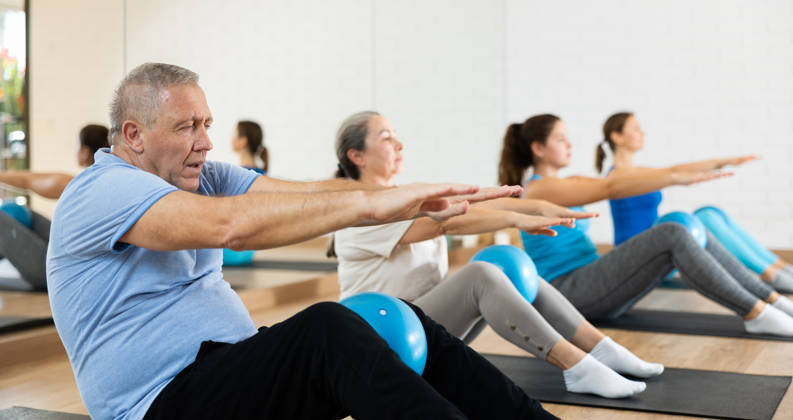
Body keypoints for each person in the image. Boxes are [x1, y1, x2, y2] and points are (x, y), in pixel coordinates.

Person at [46, 63, 558, 420]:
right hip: (159, 403)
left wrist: (399, 195)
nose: (205, 141)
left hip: (232, 376)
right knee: (326, 329)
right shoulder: (102, 189)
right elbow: (232, 226)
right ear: (133, 135)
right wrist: (370, 204)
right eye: (187, 127)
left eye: (207, 124)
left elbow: (303, 195)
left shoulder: (200, 173)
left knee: (387, 318)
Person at [331, 111, 662, 399]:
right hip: (381, 344)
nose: (399, 144)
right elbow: (443, 224)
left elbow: (470, 204)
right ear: (357, 155)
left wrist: (539, 206)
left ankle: (601, 348)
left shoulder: (404, 198)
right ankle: (576, 367)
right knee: (480, 276)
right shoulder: (360, 210)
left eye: (397, 136)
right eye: (387, 138)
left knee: (503, 259)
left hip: (423, 327)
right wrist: (516, 218)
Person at [497, 113, 793, 337]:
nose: (570, 144)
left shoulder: (563, 184)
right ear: (538, 148)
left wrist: (715, 163)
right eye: (561, 138)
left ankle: (770, 299)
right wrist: (676, 179)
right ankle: (756, 312)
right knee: (673, 232)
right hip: (570, 291)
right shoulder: (537, 190)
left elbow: (634, 178)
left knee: (682, 224)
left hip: (590, 282)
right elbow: (611, 187)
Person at [598, 111, 793, 292]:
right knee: (705, 218)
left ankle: (780, 268)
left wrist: (724, 162)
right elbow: (672, 172)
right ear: (617, 137)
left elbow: (674, 169)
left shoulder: (640, 172)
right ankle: (770, 274)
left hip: (657, 248)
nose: (642, 133)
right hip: (637, 258)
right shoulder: (617, 177)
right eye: (635, 129)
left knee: (712, 212)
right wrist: (715, 165)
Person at [0, 124, 109, 291]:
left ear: (85, 152)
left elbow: (28, 181)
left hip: (53, 274)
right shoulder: (105, 183)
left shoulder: (82, 185)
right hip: (71, 268)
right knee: (28, 214)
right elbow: (29, 179)